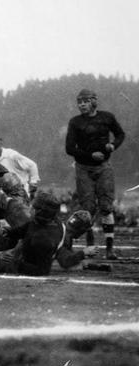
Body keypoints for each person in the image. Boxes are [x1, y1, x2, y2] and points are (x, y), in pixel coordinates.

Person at [65, 89, 125, 259]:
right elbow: (69, 148)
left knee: (106, 207)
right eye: (79, 102)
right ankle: (90, 245)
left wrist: (113, 145)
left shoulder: (107, 117)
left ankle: (109, 249)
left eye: (85, 101)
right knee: (88, 208)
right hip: (83, 167)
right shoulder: (75, 122)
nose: (81, 105)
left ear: (93, 101)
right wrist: (89, 155)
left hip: (103, 167)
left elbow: (121, 134)